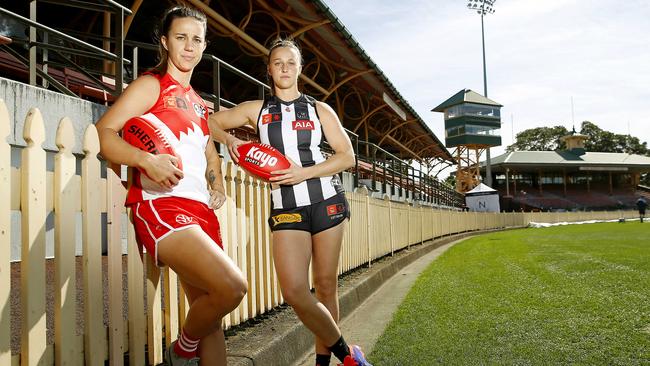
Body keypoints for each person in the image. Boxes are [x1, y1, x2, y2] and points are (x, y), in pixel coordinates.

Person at [96, 6, 246, 366]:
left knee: (210, 314)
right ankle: (181, 350)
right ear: (165, 41)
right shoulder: (151, 85)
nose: (189, 46)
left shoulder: (199, 104)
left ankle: (191, 345)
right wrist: (145, 160)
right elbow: (104, 133)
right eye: (181, 37)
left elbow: (210, 155)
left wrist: (218, 185)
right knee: (232, 287)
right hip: (162, 205)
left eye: (196, 39)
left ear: (205, 45)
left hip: (201, 211)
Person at [209, 38, 372, 366]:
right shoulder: (256, 110)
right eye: (278, 62)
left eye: (290, 62)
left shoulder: (318, 109)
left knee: (325, 286)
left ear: (300, 69)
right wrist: (231, 140)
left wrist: (304, 172)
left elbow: (347, 157)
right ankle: (348, 355)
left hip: (326, 199)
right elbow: (210, 122)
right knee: (295, 291)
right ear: (269, 70)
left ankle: (324, 363)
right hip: (286, 207)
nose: (284, 67)